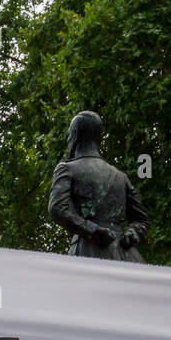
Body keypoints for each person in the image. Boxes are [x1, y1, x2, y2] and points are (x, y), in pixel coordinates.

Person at [48, 110, 150, 262]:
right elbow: (143, 220)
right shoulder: (121, 176)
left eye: (70, 134)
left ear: (74, 135)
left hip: (88, 249)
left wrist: (92, 231)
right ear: (99, 138)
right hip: (126, 255)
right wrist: (132, 234)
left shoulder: (66, 168)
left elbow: (57, 208)